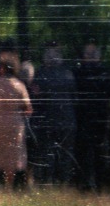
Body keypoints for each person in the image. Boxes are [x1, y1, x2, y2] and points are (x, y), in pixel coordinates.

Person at [30, 45, 77, 185]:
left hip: (49, 120)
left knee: (48, 152)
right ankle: (62, 182)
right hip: (66, 120)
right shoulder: (68, 73)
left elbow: (35, 96)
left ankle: (48, 181)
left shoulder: (40, 73)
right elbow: (75, 97)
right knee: (64, 154)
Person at [0, 53, 32, 188]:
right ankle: (8, 186)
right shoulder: (19, 85)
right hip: (15, 125)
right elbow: (28, 108)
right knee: (12, 155)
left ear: (2, 68)